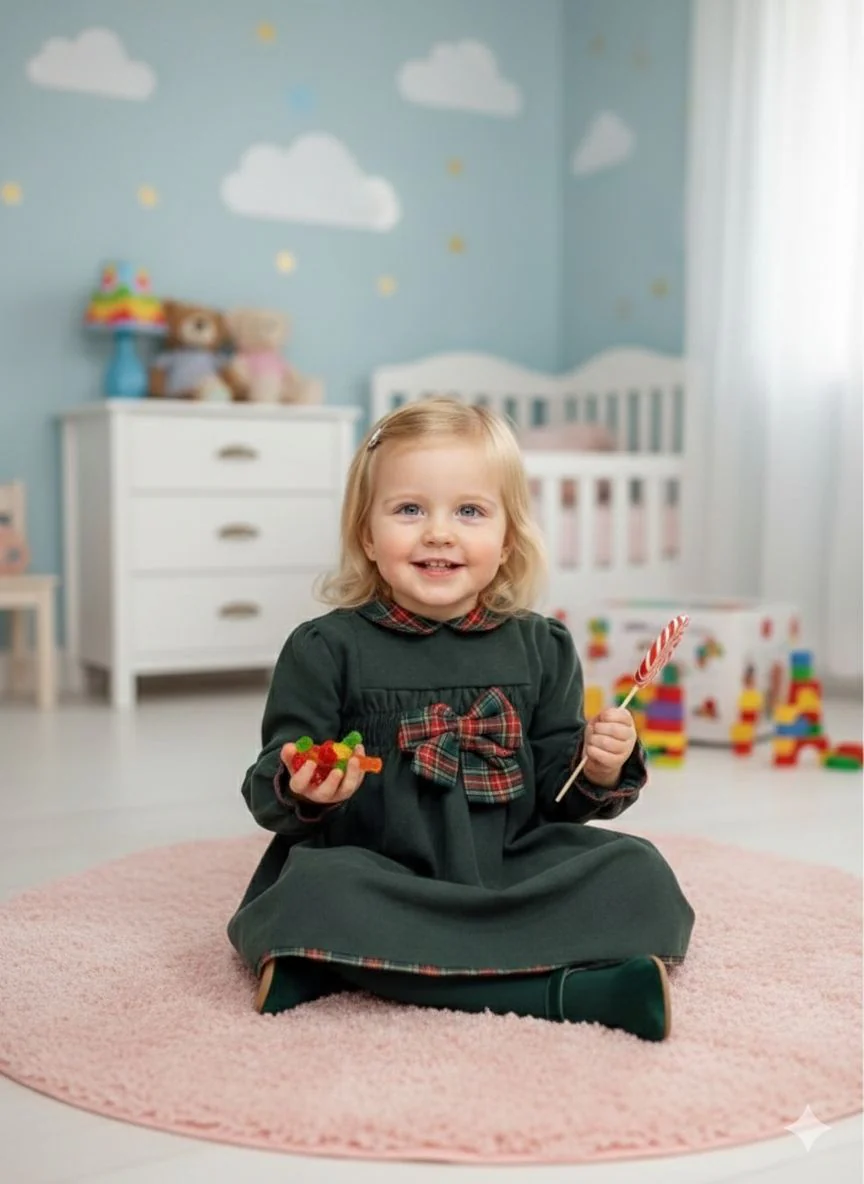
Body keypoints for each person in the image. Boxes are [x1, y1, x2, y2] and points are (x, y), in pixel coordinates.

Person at [227, 398, 695, 1041]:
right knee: (314, 891)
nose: (439, 533)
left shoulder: (543, 647)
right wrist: (306, 787)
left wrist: (600, 765)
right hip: (378, 869)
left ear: (507, 540)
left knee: (638, 874)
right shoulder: (325, 648)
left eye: (469, 511)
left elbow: (560, 799)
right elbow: (271, 778)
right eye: (409, 509)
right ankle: (567, 992)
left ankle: (336, 966)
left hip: (509, 863)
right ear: (367, 535)